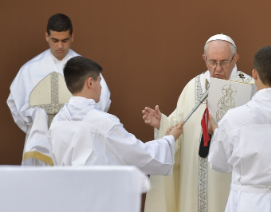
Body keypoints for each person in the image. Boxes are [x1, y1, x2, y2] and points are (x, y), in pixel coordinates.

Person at [142, 34, 253, 212]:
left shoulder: (248, 86)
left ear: (235, 59)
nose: (217, 68)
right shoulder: (193, 86)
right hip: (195, 176)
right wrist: (162, 122)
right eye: (212, 62)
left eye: (224, 62)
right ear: (204, 59)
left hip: (231, 175)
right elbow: (180, 126)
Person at [208, 46, 271, 212]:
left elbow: (218, 163)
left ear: (254, 74)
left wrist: (218, 132)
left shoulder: (233, 119)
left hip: (247, 203)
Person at [48, 56, 184, 175]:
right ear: (90, 82)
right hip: (95, 198)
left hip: (67, 198)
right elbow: (140, 156)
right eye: (99, 81)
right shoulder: (103, 122)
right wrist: (170, 139)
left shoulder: (56, 123)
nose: (101, 87)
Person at [7, 13, 111, 166]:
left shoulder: (86, 69)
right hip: (42, 144)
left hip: (75, 144)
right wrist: (36, 120)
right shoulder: (29, 70)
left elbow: (102, 102)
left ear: (72, 37)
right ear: (46, 36)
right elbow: (15, 105)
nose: (60, 46)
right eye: (55, 40)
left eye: (65, 40)